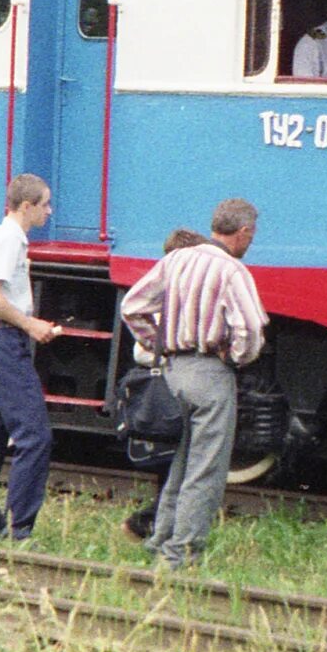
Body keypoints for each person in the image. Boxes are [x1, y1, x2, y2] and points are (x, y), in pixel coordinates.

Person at [118, 198, 267, 569]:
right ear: (243, 232)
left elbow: (132, 307)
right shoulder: (232, 271)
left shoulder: (176, 260)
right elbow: (250, 329)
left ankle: (159, 542)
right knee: (206, 472)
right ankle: (180, 556)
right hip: (209, 375)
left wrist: (159, 343)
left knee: (181, 466)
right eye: (252, 236)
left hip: (173, 372)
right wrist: (234, 357)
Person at [0, 174, 63, 542]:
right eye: (45, 204)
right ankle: (20, 529)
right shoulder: (10, 241)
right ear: (27, 206)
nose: (49, 211)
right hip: (5, 342)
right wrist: (30, 324)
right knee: (34, 436)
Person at [122, 228, 208, 543]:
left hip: (167, 379)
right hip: (168, 381)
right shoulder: (169, 295)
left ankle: (154, 524)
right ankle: (150, 525)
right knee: (175, 458)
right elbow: (144, 347)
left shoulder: (163, 290)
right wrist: (168, 348)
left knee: (173, 459)